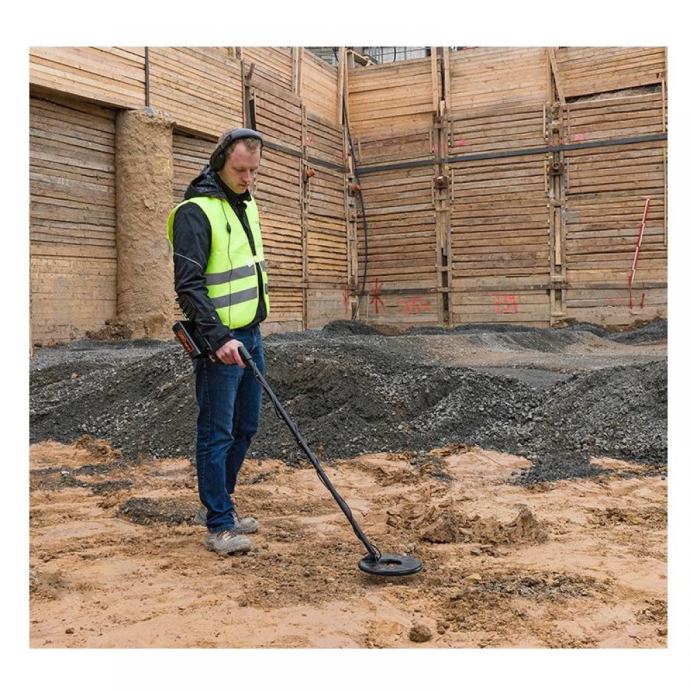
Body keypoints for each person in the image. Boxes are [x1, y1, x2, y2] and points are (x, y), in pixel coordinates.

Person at [166, 128, 270, 556]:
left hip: (250, 335)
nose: (248, 178)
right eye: (240, 170)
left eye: (253, 171)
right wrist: (218, 338)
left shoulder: (245, 204)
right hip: (219, 343)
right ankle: (219, 524)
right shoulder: (195, 212)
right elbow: (188, 286)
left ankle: (221, 503)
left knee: (246, 427)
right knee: (217, 432)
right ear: (219, 163)